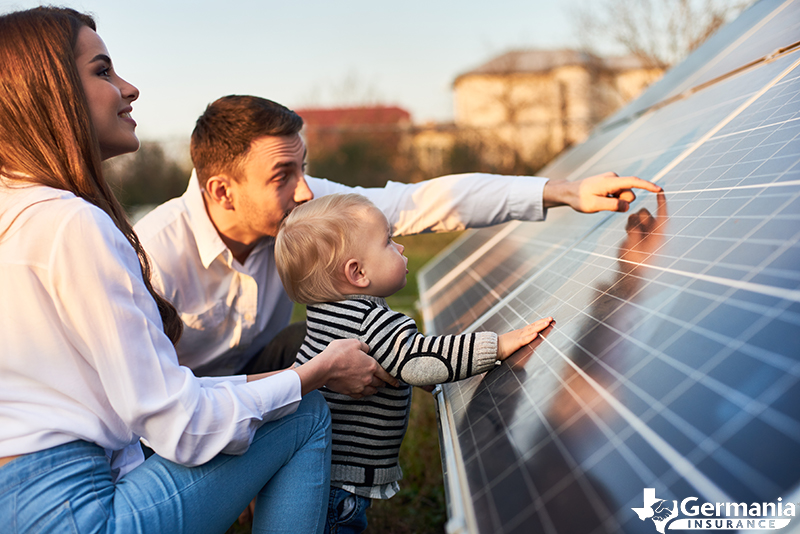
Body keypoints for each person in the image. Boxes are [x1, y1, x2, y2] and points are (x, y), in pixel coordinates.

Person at [0, 7, 395, 534]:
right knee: (303, 412)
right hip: (73, 513)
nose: (129, 88)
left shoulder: (16, 212)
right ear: (49, 93)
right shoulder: (72, 224)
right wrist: (313, 375)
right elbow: (178, 426)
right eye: (102, 71)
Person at [134, 95, 663, 379]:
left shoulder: (305, 206)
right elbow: (147, 400)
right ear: (222, 192)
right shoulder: (152, 255)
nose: (304, 193)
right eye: (282, 177)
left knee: (347, 341)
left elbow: (419, 202)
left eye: (304, 169)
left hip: (261, 375)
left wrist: (561, 190)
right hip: (179, 414)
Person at [274, 193, 556, 533]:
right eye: (389, 242)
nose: (402, 249)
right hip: (340, 486)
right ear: (358, 273)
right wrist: (497, 345)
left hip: (316, 470)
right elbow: (419, 359)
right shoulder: (371, 321)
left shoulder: (324, 317)